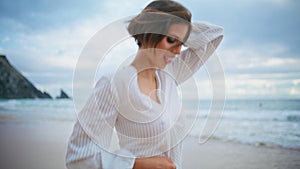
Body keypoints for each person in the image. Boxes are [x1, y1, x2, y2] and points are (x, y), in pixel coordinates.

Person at [66, 0, 223, 168]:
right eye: (171, 40)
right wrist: (135, 164)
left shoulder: (171, 74)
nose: (178, 52)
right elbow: (78, 157)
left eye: (181, 44)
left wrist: (180, 30)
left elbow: (214, 34)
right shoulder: (114, 84)